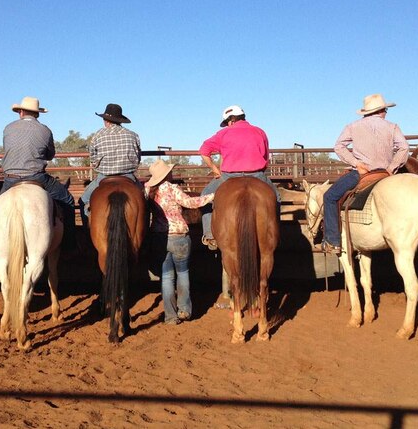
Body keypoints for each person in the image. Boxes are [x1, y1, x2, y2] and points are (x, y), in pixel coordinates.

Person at [323, 93, 409, 254]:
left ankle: (333, 241)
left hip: (363, 173)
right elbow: (404, 148)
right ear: (382, 110)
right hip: (385, 173)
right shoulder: (392, 127)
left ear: (366, 112)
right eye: (386, 110)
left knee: (330, 197)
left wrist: (356, 163)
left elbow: (339, 146)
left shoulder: (353, 126)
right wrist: (391, 168)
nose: (386, 113)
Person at [198, 105, 280, 250]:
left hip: (229, 176)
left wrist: (215, 169)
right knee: (277, 197)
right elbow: (265, 157)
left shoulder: (223, 133)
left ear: (230, 120)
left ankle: (210, 234)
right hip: (257, 174)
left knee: (205, 196)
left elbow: (204, 150)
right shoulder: (260, 132)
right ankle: (274, 233)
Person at [145, 160, 214, 325]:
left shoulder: (148, 190)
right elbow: (190, 203)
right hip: (179, 236)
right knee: (183, 273)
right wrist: (212, 196)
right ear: (166, 174)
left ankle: (170, 316)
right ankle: (184, 310)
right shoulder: (172, 188)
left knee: (167, 277)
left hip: (159, 237)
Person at [1, 96, 76, 247]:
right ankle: (70, 243)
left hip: (10, 178)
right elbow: (50, 154)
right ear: (37, 114)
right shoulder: (45, 130)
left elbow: (8, 150)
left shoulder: (8, 128)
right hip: (37, 177)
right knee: (68, 199)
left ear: (20, 112)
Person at [79, 103, 141, 224]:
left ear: (106, 120)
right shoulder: (133, 135)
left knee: (83, 201)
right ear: (120, 120)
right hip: (128, 176)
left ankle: (87, 233)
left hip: (104, 176)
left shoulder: (98, 135)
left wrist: (98, 164)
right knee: (145, 200)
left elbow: (93, 159)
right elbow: (137, 158)